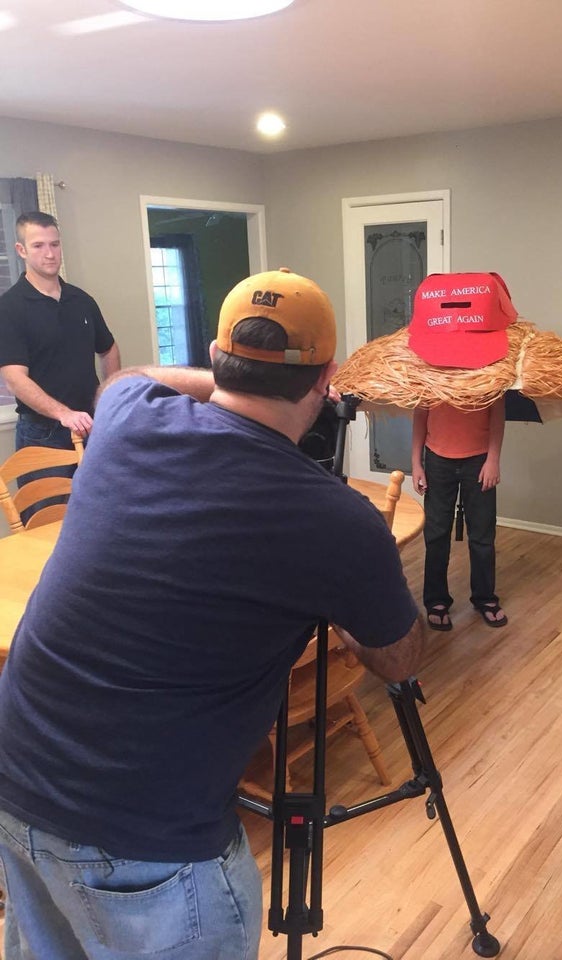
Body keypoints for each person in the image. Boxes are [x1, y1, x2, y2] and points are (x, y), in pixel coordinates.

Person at [0, 267, 425, 960]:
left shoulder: (128, 417)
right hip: (146, 838)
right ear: (326, 379)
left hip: (15, 776)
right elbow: (401, 658)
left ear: (216, 353)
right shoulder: (335, 521)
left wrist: (226, 381)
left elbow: (124, 375)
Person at [0, 211, 120, 455]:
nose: (50, 253)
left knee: (97, 494)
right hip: (42, 433)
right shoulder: (9, 307)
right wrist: (64, 414)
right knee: (47, 495)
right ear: (21, 250)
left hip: (91, 425)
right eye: (38, 246)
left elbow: (108, 348)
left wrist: (110, 396)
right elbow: (15, 379)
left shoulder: (82, 300)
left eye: (54, 244)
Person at [412, 400, 508, 632]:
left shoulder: (488, 370)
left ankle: (484, 596)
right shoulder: (430, 372)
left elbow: (497, 413)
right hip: (437, 459)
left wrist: (493, 459)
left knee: (483, 533)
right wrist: (416, 464)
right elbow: (420, 415)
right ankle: (436, 600)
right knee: (436, 534)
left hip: (479, 458)